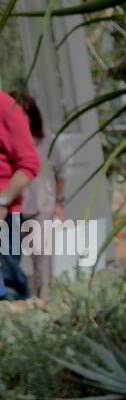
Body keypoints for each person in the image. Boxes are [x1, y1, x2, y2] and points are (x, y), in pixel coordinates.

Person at [13, 91, 64, 298]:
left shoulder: (47, 141)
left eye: (25, 113)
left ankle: (45, 301)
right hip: (12, 210)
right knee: (10, 259)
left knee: (41, 258)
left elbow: (61, 174)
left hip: (41, 207)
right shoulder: (6, 142)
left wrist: (58, 203)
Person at [0, 89, 41, 301]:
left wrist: (2, 201)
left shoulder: (6, 108)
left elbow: (29, 164)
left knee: (9, 289)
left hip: (3, 218)